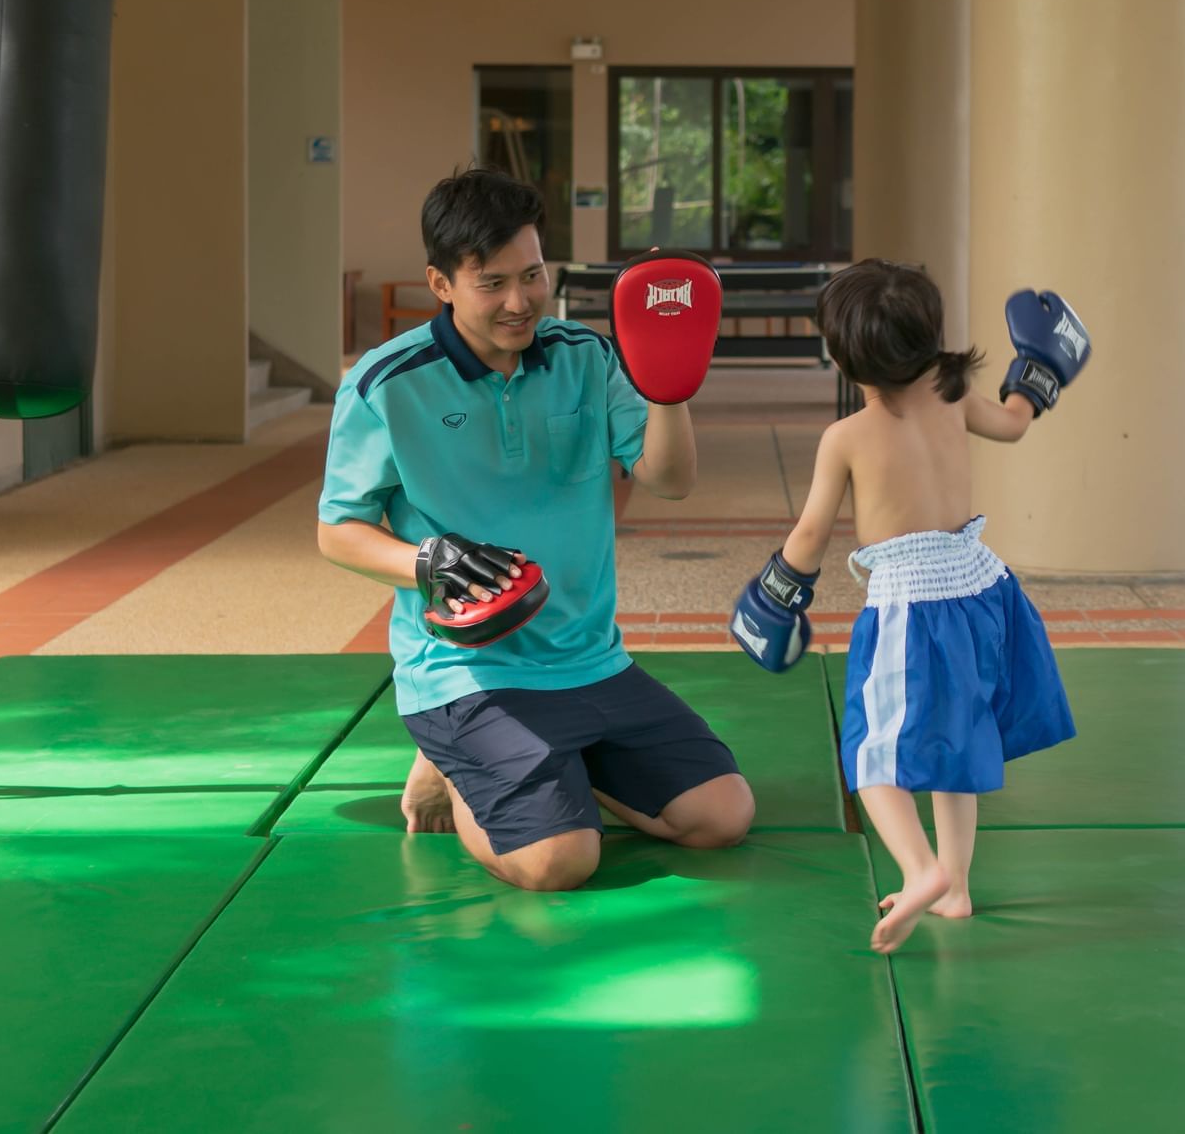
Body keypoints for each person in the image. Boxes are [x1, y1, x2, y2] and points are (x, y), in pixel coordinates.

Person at [317, 168, 753, 892]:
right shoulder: (385, 383)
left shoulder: (586, 356)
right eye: (492, 283)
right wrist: (429, 560)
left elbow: (670, 481)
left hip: (592, 660)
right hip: (467, 671)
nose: (520, 302)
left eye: (533, 275)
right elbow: (339, 532)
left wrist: (670, 389)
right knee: (559, 862)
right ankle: (454, 768)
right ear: (441, 282)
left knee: (723, 816)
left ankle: (543, 765)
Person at [736, 259, 1086, 952]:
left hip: (912, 607)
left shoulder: (846, 438)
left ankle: (920, 870)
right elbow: (1016, 424)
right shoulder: (954, 396)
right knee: (958, 745)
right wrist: (1039, 370)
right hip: (985, 587)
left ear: (841, 357)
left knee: (871, 755)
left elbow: (810, 535)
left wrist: (774, 597)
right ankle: (955, 887)